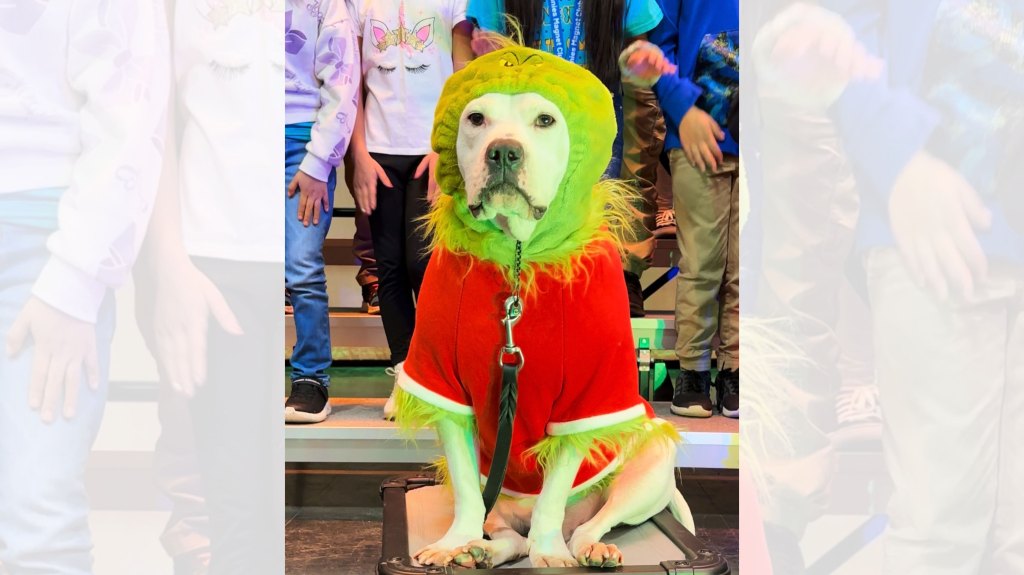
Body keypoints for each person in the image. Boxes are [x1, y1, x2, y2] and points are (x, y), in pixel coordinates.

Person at [0, 2, 168, 571]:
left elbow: (132, 103)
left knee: (39, 520)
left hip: (41, 237)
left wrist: (74, 280)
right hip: (42, 233)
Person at [466, 0, 665, 317]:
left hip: (602, 121)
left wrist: (643, 60)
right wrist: (490, 57)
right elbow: (490, 53)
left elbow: (638, 54)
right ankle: (527, 284)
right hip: (530, 127)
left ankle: (618, 275)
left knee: (604, 206)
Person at [347, 0, 473, 418]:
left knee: (425, 263)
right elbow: (351, 83)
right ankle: (405, 374)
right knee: (390, 268)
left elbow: (463, 76)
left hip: (429, 152)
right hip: (378, 153)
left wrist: (445, 147)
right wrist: (359, 154)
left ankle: (438, 375)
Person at [625, 0, 740, 418]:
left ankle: (737, 367)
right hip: (696, 138)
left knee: (746, 264)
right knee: (701, 260)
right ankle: (693, 370)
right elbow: (658, 44)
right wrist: (684, 111)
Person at [283, 0, 361, 423]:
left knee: (301, 264)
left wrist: (318, 162)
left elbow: (343, 78)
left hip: (301, 140)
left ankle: (311, 379)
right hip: (231, 137)